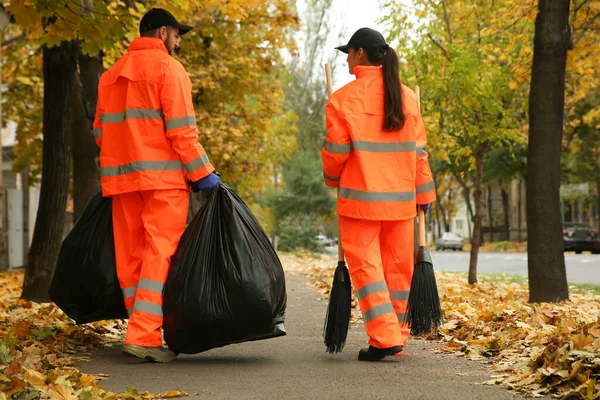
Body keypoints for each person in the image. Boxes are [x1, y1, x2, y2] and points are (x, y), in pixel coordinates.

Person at [92, 8, 220, 362]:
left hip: (121, 181)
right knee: (160, 252)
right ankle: (145, 336)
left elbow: (100, 134)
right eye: (178, 35)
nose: (178, 42)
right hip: (162, 180)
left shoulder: (109, 76)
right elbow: (181, 131)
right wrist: (202, 173)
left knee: (131, 256)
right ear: (163, 32)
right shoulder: (169, 70)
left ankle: (140, 330)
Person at [322, 27, 436, 361]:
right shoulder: (406, 97)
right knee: (399, 270)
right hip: (401, 202)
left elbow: (335, 154)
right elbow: (419, 153)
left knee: (367, 271)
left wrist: (331, 179)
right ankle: (397, 334)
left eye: (348, 53)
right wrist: (424, 194)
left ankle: (385, 337)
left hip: (360, 202)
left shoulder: (343, 99)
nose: (345, 59)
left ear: (359, 54)